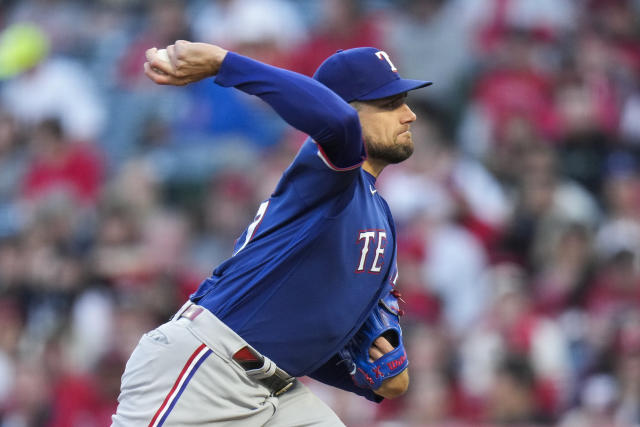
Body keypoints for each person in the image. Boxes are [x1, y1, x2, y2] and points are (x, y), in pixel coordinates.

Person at [112, 40, 431, 426]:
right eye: (388, 103)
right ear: (341, 109)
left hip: (274, 390)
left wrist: (368, 378)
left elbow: (319, 334)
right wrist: (223, 64)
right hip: (207, 364)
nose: (409, 115)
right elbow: (338, 123)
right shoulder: (327, 178)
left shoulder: (378, 215)